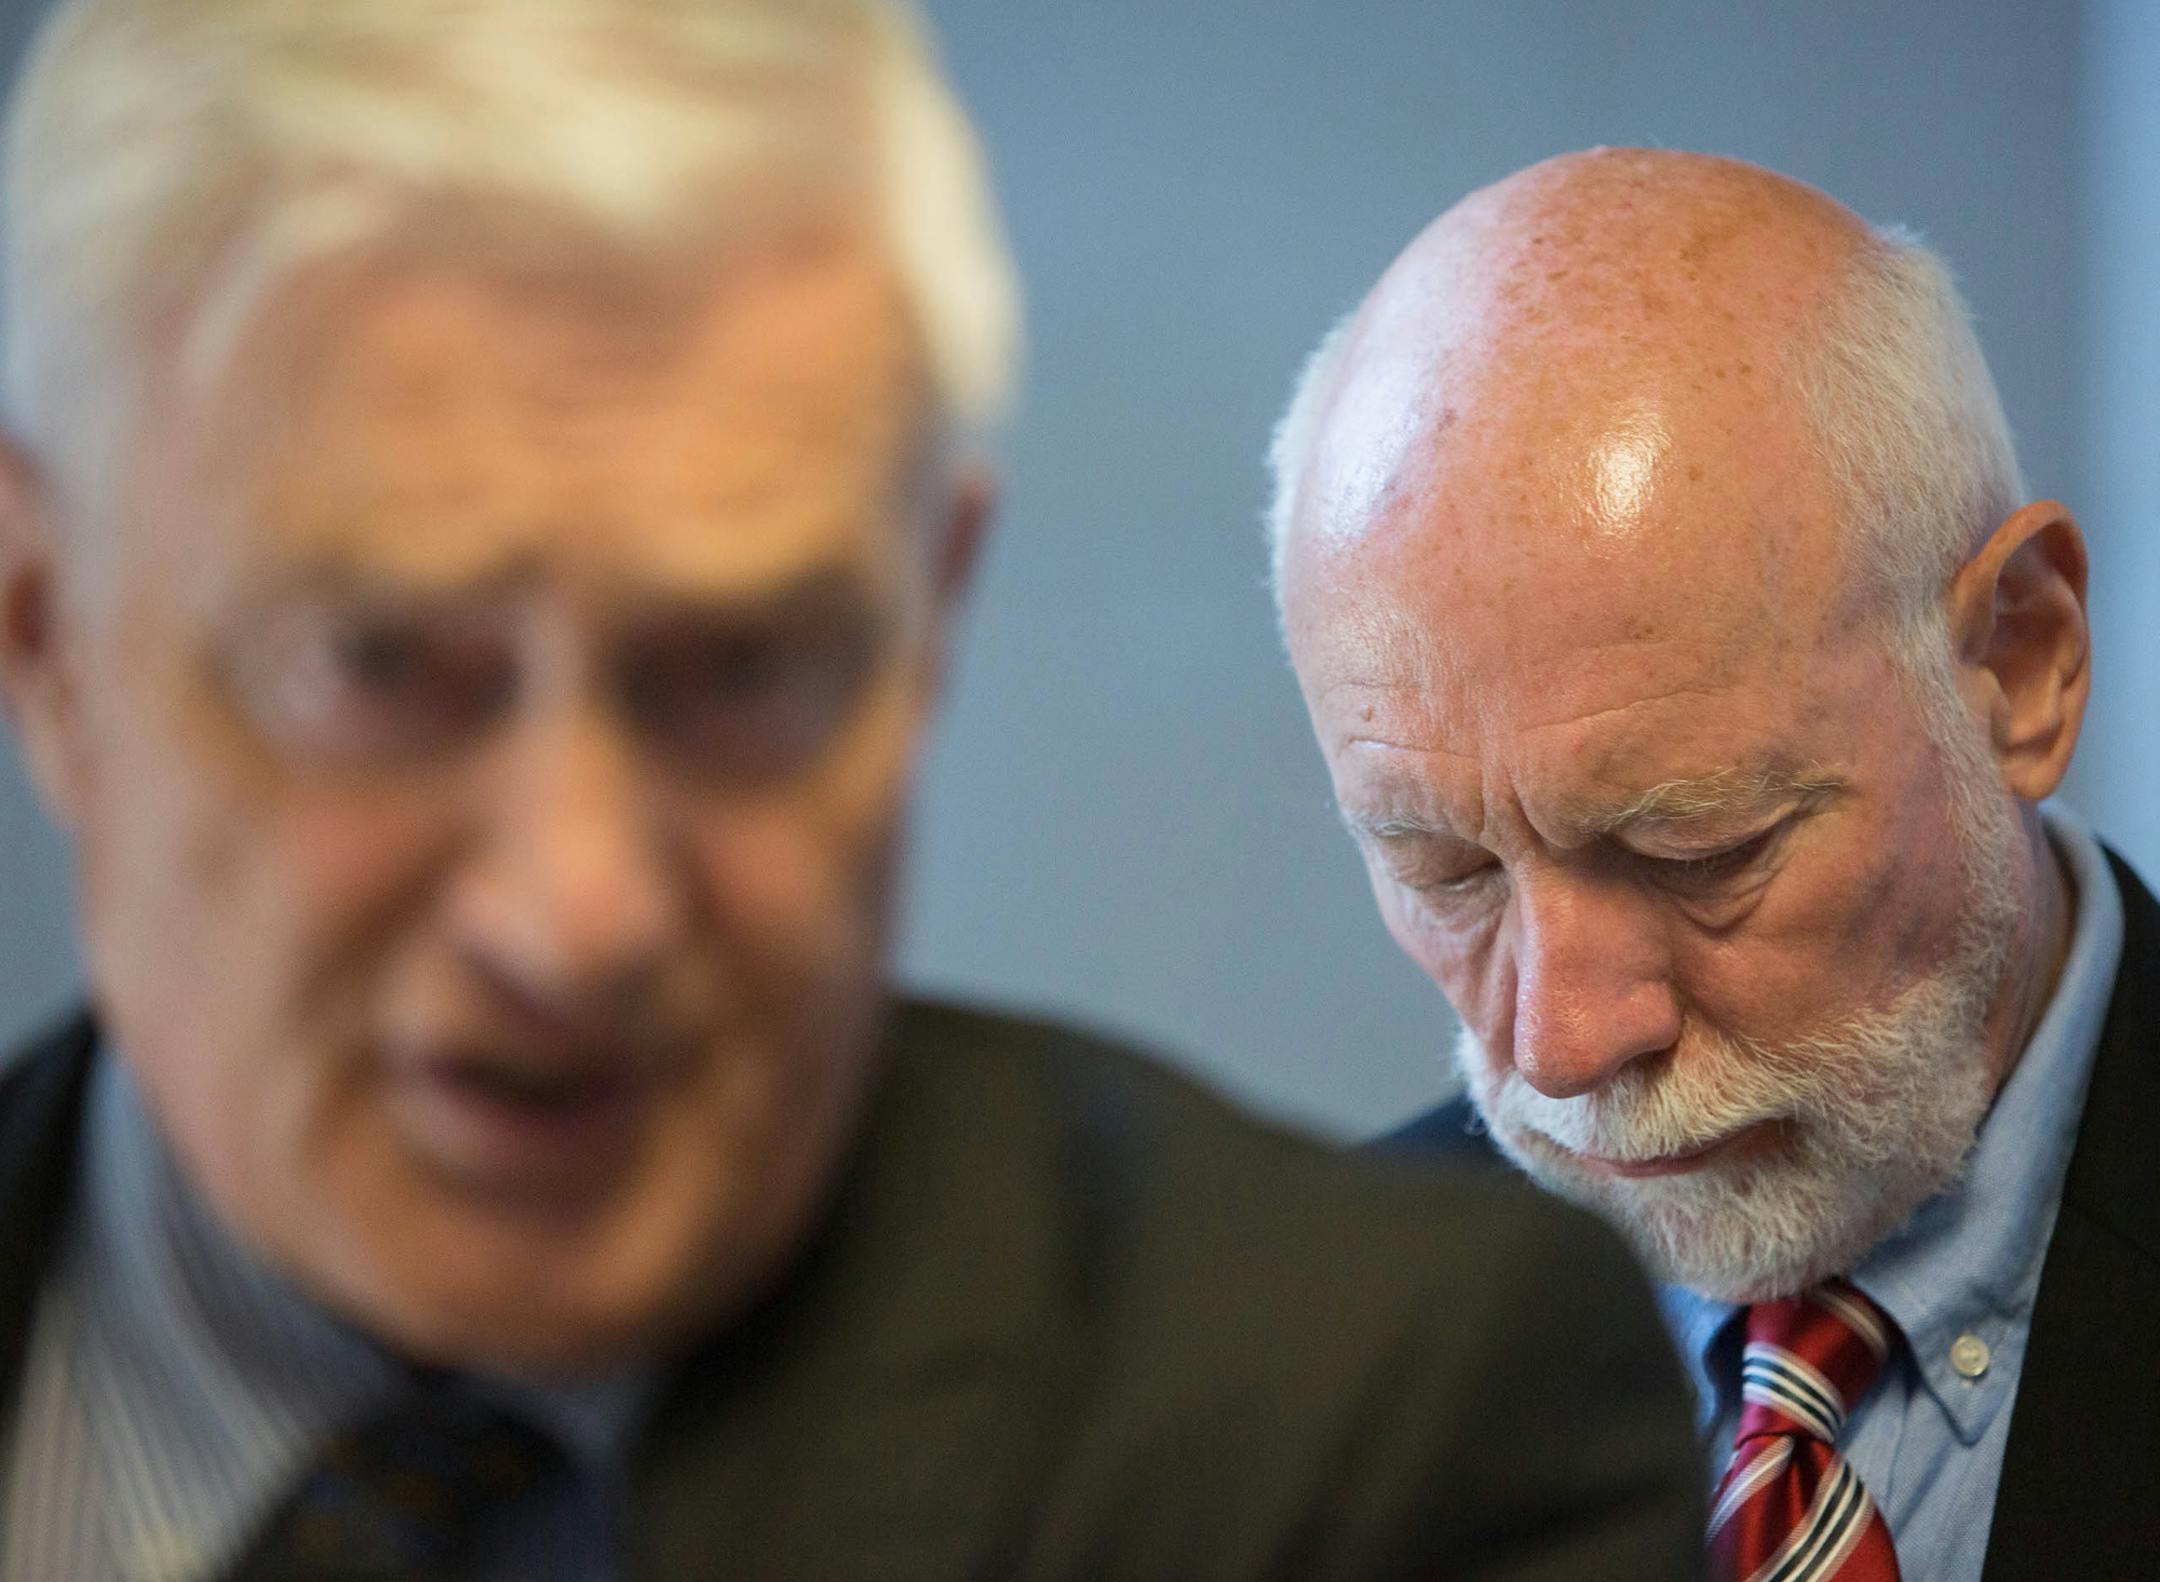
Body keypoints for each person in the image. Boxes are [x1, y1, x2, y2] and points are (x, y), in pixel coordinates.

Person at [0, 5, 1703, 1578]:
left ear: (928, 620)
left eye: (738, 673)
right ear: (44, 631)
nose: (578, 914)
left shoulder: (1378, 1450)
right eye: (378, 667)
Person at [1268, 145, 2157, 1582]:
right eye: (1447, 871)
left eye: (1695, 849)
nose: (1559, 1046)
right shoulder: (1285, 1367)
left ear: (2021, 660)